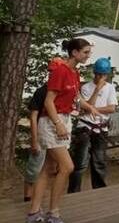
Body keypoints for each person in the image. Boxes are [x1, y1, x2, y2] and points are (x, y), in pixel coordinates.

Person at [27, 38, 99, 223]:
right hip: (52, 122)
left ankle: (34, 212)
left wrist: (90, 107)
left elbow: (76, 97)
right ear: (74, 52)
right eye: (85, 52)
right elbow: (48, 101)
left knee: (48, 168)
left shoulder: (75, 73)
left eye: (89, 52)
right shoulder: (60, 70)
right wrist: (58, 123)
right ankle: (53, 212)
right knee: (67, 167)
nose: (88, 55)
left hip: (64, 120)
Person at [68, 57, 118, 193]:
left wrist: (93, 109)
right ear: (94, 73)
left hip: (101, 127)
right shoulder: (86, 87)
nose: (100, 78)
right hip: (85, 127)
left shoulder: (110, 88)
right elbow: (86, 106)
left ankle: (99, 191)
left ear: (107, 75)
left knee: (99, 161)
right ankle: (74, 192)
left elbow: (111, 108)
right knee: (80, 162)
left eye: (103, 75)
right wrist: (97, 90)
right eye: (98, 74)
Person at [24, 83, 49, 203]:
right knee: (34, 168)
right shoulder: (41, 91)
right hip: (40, 133)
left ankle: (40, 194)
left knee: (50, 167)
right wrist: (34, 140)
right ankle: (27, 197)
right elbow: (33, 117)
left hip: (55, 135)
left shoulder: (62, 91)